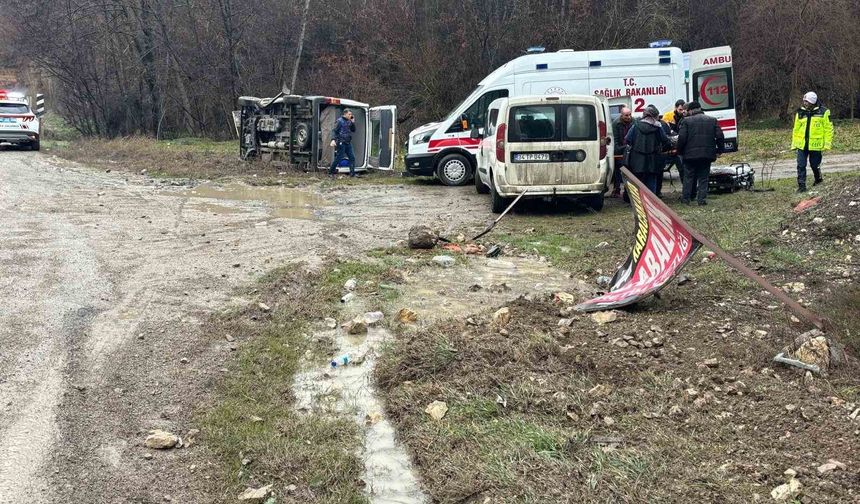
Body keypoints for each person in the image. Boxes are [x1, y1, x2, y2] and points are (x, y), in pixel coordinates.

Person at [677, 101, 724, 206]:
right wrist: (720, 150)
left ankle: (686, 199)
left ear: (691, 110)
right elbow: (720, 136)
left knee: (688, 177)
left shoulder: (686, 121)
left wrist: (679, 151)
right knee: (703, 177)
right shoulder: (712, 120)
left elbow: (682, 138)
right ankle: (701, 200)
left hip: (689, 155)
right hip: (706, 154)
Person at [791, 91, 833, 192]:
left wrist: (827, 143)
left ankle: (818, 179)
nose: (805, 103)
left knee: (814, 165)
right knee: (801, 165)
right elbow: (796, 129)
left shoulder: (824, 112)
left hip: (815, 145)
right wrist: (794, 144)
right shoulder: (800, 112)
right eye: (804, 101)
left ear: (812, 102)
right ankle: (801, 186)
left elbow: (828, 129)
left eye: (807, 101)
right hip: (802, 145)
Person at [625, 105, 672, 195]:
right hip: (653, 159)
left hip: (637, 159)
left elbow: (627, 139)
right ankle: (650, 203)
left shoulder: (636, 125)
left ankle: (639, 204)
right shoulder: (658, 127)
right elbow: (665, 140)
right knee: (651, 181)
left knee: (638, 182)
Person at [611, 107, 635, 197]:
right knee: (618, 169)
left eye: (630, 115)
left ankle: (627, 191)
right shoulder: (616, 124)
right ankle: (616, 188)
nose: (628, 117)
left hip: (630, 149)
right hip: (620, 149)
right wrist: (623, 148)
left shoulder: (634, 122)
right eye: (626, 115)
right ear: (621, 115)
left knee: (630, 170)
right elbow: (615, 141)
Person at [329, 108, 357, 178]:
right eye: (349, 114)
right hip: (341, 142)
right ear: (345, 114)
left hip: (348, 142)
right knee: (339, 157)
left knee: (352, 157)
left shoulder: (349, 121)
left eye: (351, 114)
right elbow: (334, 131)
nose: (350, 115)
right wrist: (333, 139)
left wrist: (353, 122)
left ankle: (352, 174)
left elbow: (353, 130)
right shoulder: (339, 121)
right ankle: (331, 172)